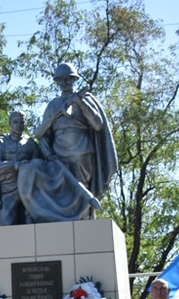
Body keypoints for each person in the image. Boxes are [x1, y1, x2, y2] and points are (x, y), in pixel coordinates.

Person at [14, 62, 116, 223]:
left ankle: (83, 221)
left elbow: (97, 125)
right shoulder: (53, 105)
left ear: (74, 80)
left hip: (82, 152)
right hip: (58, 156)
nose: (65, 82)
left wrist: (80, 103)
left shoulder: (85, 99)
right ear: (57, 82)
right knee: (56, 187)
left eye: (68, 79)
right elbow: (43, 135)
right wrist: (48, 153)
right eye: (61, 79)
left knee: (81, 189)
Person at [0, 110, 41, 226]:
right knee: (8, 226)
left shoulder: (31, 144)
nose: (18, 125)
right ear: (10, 123)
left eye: (21, 122)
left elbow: (38, 165)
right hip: (6, 190)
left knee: (32, 225)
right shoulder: (0, 142)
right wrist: (15, 165)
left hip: (28, 190)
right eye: (15, 122)